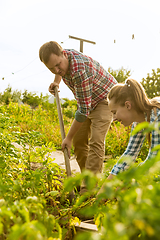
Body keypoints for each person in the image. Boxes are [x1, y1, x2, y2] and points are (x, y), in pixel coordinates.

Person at [39, 41, 117, 193]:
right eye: (51, 68)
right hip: (88, 99)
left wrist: (67, 138)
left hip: (105, 100)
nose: (57, 69)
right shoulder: (61, 58)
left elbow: (83, 111)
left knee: (96, 142)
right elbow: (84, 107)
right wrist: (56, 82)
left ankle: (88, 191)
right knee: (79, 142)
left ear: (64, 54)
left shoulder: (80, 71)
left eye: (58, 65)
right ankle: (87, 179)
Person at [105, 78, 160, 181]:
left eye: (114, 112)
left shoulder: (157, 115)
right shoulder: (139, 121)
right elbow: (130, 153)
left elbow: (155, 159)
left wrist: (126, 184)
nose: (114, 119)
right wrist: (104, 191)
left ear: (127, 105)